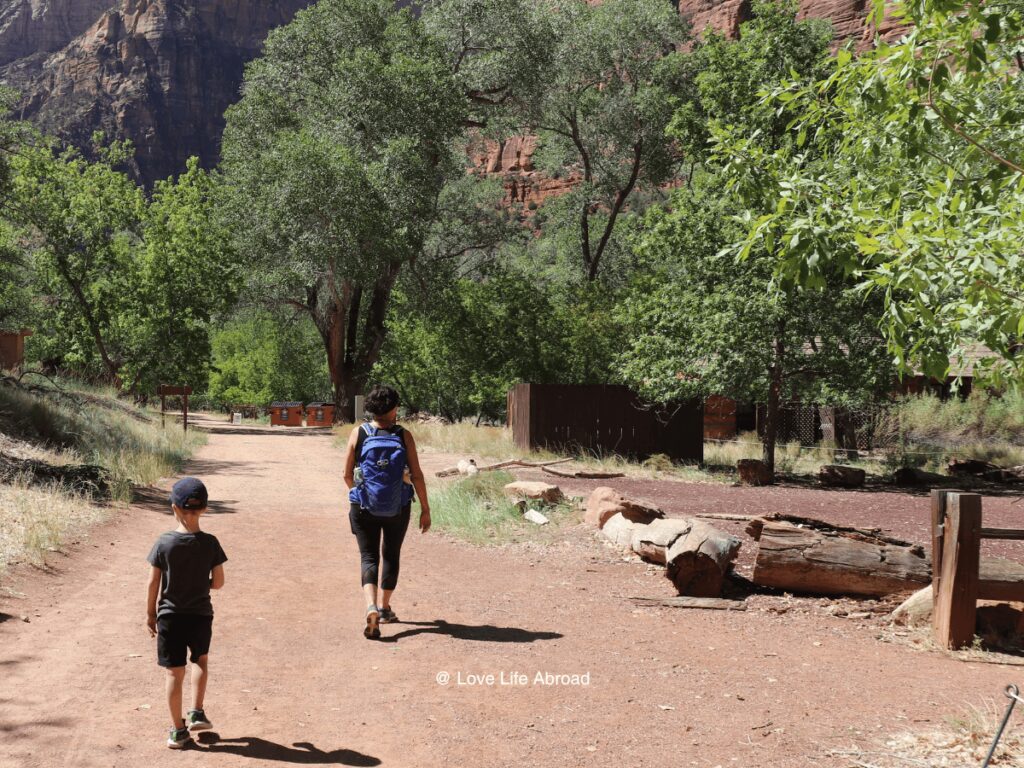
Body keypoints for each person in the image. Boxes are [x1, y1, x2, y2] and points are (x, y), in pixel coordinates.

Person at [145, 477, 227, 749]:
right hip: (201, 614)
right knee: (200, 661)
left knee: (173, 673)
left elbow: (153, 582)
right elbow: (218, 582)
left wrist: (149, 614)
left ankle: (178, 731)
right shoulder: (211, 543)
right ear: (204, 508)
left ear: (174, 508)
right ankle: (197, 711)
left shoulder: (163, 543)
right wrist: (199, 583)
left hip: (169, 616)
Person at [344, 386, 430, 639]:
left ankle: (370, 606)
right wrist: (425, 509)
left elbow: (346, 475)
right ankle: (384, 608)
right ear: (393, 409)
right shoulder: (404, 435)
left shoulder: (358, 433)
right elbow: (416, 475)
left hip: (363, 507)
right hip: (398, 506)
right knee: (391, 554)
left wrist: (362, 494)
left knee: (368, 557)